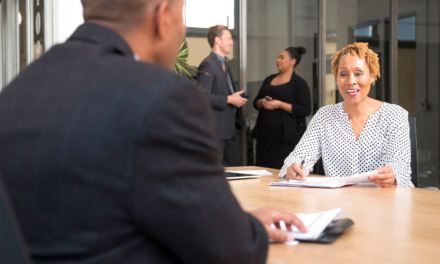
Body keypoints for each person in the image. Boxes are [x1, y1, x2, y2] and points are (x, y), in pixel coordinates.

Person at [0, 0, 307, 263]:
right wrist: (245, 230)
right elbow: (231, 251)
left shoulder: (16, 92)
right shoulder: (162, 98)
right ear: (163, 16)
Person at [279, 42, 414, 187]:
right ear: (336, 79)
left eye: (359, 73)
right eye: (343, 74)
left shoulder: (394, 115)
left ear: (372, 77)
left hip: (387, 202)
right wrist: (292, 169)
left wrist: (392, 177)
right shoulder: (325, 116)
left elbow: (401, 168)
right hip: (341, 203)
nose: (351, 81)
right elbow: (296, 158)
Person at [252, 47, 311, 169]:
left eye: (282, 57)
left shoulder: (299, 83)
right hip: (265, 136)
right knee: (262, 169)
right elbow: (255, 103)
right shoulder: (269, 79)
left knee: (281, 170)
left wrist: (279, 104)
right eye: (278, 57)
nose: (278, 60)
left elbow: (305, 110)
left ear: (292, 61)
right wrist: (262, 102)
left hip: (285, 138)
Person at [197, 25, 246, 167]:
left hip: (230, 130)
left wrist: (234, 97)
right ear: (217, 40)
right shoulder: (208, 64)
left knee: (237, 171)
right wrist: (230, 99)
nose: (231, 42)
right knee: (215, 173)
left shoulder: (226, 63)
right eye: (229, 39)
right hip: (216, 131)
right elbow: (202, 96)